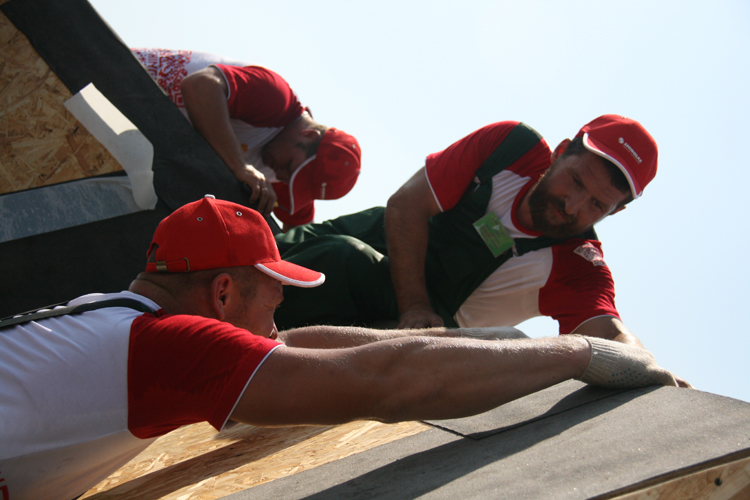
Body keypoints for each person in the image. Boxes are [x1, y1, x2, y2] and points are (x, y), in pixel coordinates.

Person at [0, 195, 678, 500]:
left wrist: (471, 341)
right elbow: (384, 383)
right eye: (274, 294)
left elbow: (292, 345)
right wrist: (578, 355)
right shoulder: (167, 347)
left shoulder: (108, 319)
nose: (281, 313)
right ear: (225, 293)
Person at [273, 115, 655, 347]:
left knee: (339, 259)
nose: (572, 206)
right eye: (575, 180)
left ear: (616, 211)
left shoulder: (578, 266)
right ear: (560, 152)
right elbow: (406, 205)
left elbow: (612, 335)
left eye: (596, 205)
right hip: (360, 244)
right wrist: (415, 306)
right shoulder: (511, 146)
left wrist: (646, 367)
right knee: (264, 249)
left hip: (415, 329)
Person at [132, 48, 361, 229]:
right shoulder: (276, 99)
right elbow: (199, 86)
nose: (282, 177)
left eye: (293, 181)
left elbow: (299, 234)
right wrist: (240, 166)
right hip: (121, 83)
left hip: (134, 138)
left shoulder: (282, 171)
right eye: (290, 167)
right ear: (309, 135)